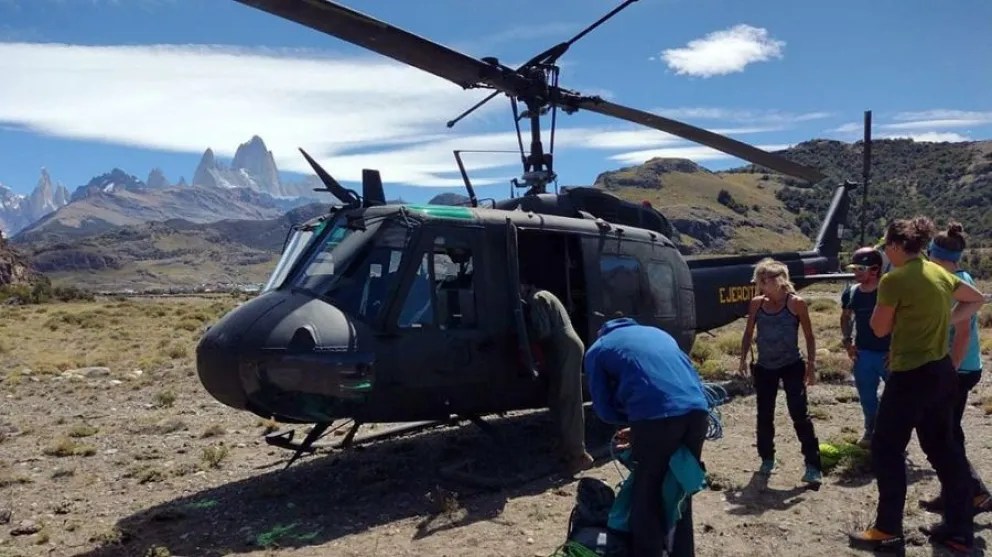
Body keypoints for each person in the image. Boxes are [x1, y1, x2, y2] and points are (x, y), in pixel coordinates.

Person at [848, 216, 985, 554]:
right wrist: (945, 318)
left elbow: (879, 329)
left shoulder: (894, 280)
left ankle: (887, 530)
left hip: (910, 374)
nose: (884, 252)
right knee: (944, 450)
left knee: (886, 449)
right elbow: (977, 299)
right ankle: (959, 531)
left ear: (896, 246)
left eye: (886, 246)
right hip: (942, 372)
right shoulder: (939, 272)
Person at [584, 316, 710, 557]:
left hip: (657, 418)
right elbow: (682, 380)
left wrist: (635, 421)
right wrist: (640, 427)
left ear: (602, 332)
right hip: (697, 411)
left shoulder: (598, 348)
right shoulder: (659, 333)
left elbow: (603, 408)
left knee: (646, 491)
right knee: (681, 486)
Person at [916, 221, 992, 516]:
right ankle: (953, 493)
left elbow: (961, 335)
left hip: (958, 370)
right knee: (947, 432)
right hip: (962, 368)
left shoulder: (953, 284)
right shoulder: (960, 278)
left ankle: (975, 494)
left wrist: (950, 372)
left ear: (933, 254)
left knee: (945, 436)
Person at [520, 284, 594, 475]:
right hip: (562, 348)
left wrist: (524, 331)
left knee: (568, 399)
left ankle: (579, 455)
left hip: (564, 348)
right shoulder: (543, 295)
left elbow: (542, 332)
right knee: (557, 398)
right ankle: (565, 446)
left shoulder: (536, 299)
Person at [840, 247, 891, 447]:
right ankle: (871, 430)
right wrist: (847, 342)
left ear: (875, 269)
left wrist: (896, 349)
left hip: (889, 354)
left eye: (860, 269)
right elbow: (845, 317)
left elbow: (903, 320)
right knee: (867, 397)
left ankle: (892, 435)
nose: (856, 273)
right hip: (863, 354)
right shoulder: (852, 293)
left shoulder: (889, 291)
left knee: (895, 397)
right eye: (854, 269)